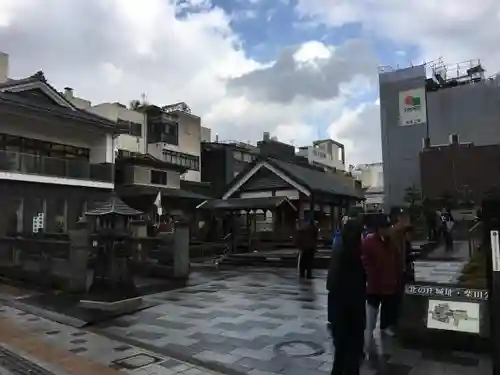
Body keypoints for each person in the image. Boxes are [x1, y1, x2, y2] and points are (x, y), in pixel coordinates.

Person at [327, 219, 366, 375]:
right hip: (350, 315)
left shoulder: (339, 251)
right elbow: (355, 290)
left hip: (339, 315)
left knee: (341, 355)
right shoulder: (351, 257)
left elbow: (331, 285)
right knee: (350, 357)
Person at [362, 215, 401, 343]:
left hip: (389, 281)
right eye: (384, 227)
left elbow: (396, 258)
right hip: (375, 283)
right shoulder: (368, 242)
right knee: (372, 307)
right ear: (377, 229)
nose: (387, 230)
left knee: (388, 306)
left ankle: (385, 327)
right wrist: (371, 274)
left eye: (387, 227)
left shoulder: (392, 242)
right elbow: (364, 261)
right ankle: (369, 329)